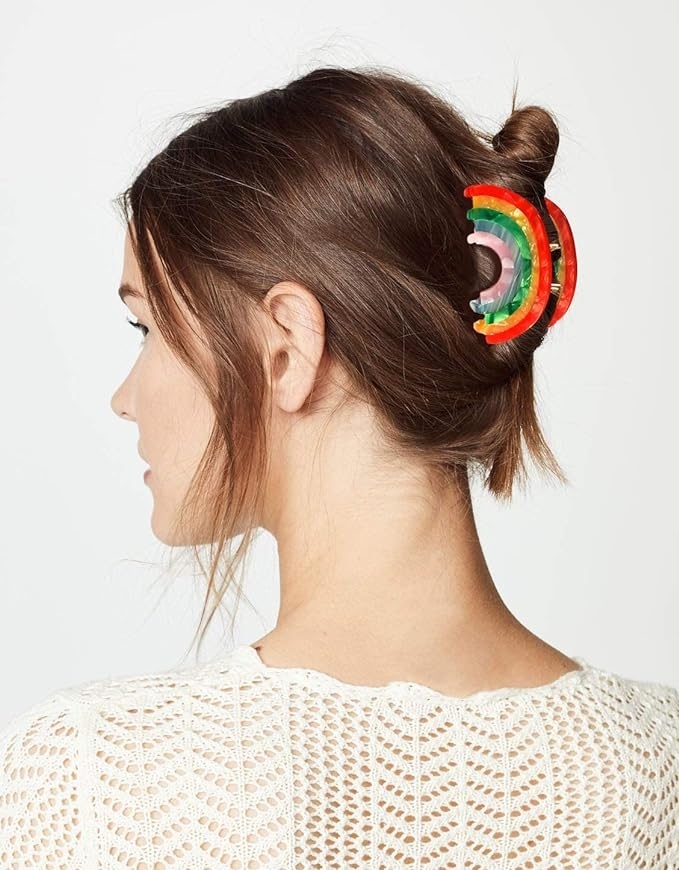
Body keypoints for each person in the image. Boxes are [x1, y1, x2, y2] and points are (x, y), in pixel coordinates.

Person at [1, 65, 677, 868]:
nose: (125, 397)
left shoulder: (96, 776)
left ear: (286, 345)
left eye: (145, 328)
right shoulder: (656, 767)